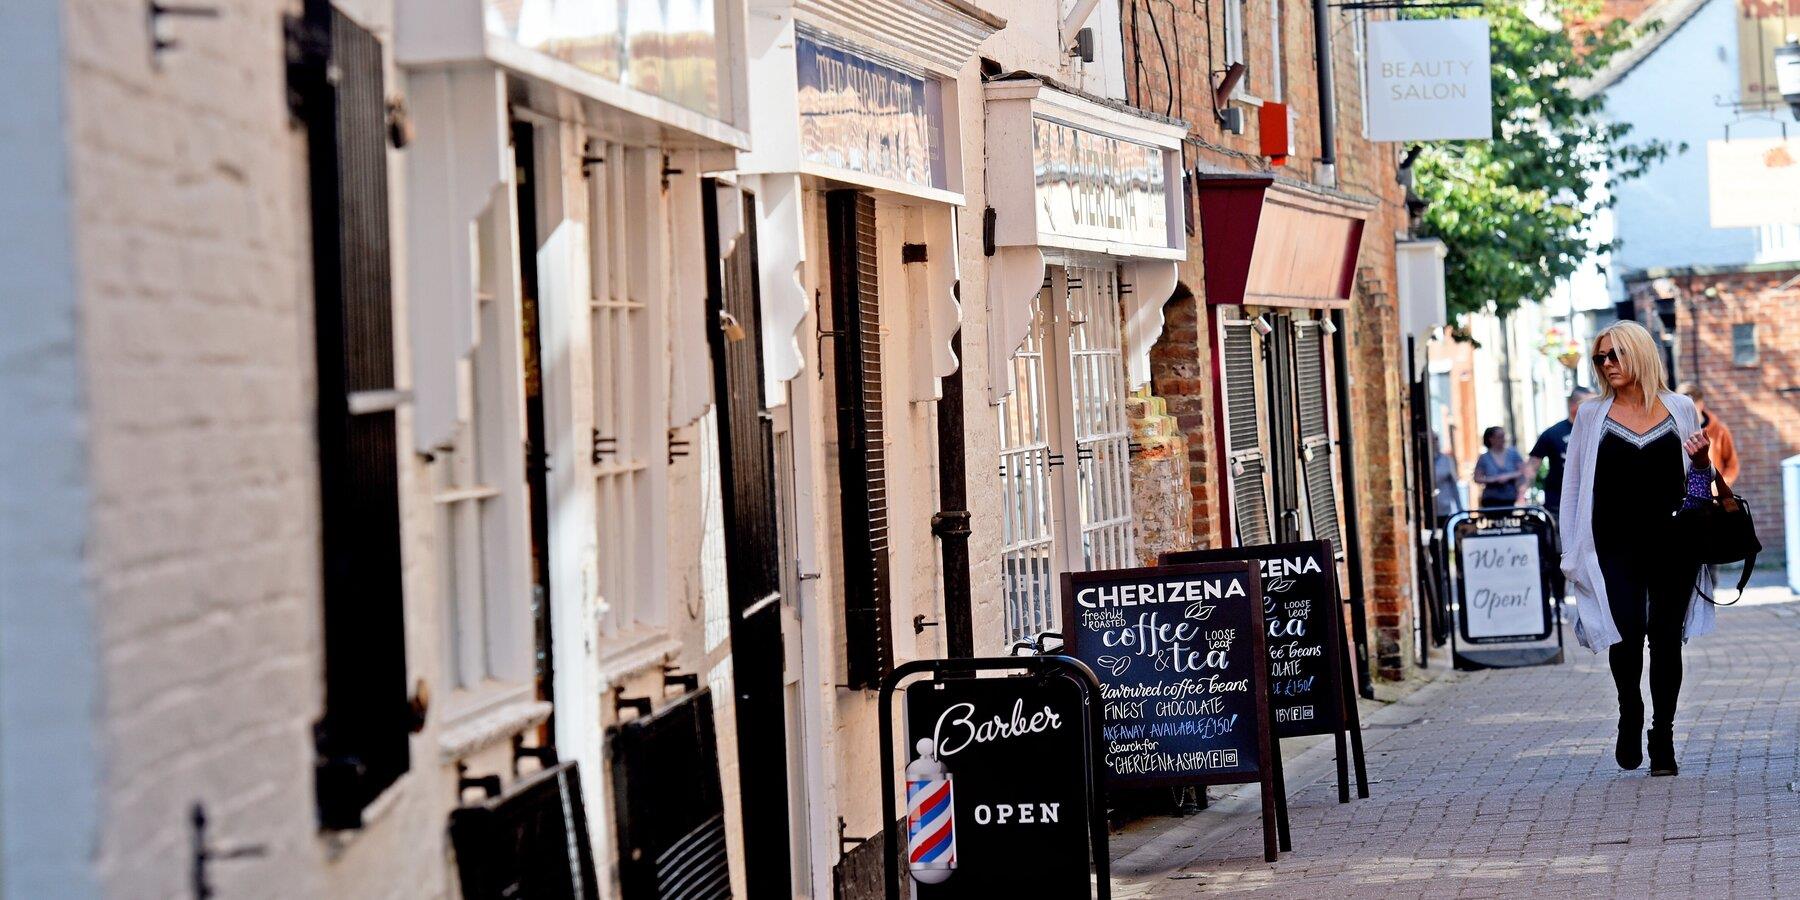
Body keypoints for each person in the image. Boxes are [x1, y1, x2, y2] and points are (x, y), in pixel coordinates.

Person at [1559, 321, 1716, 777]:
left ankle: (1662, 735)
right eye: (1600, 358)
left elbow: (1698, 488)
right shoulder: (1591, 415)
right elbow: (1573, 488)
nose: (1608, 365)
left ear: (1641, 355)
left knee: (1666, 640)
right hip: (1612, 547)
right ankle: (1630, 710)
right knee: (1624, 636)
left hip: (1674, 545)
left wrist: (1703, 464)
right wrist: (1570, 549)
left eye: (1616, 355)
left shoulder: (1680, 407)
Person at [1521, 387, 1595, 514]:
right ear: (1573, 405)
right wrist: (1520, 496)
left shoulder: (1598, 430)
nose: (1595, 408)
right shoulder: (1552, 433)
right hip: (1559, 503)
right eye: (1589, 403)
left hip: (1593, 502)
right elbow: (1531, 467)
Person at [1676, 383, 1740, 485]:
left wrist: (1721, 485)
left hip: (1713, 497)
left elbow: (1732, 465)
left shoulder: (1720, 431)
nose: (1686, 412)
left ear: (1700, 404)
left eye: (1690, 407)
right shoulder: (1675, 433)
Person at [1470, 426, 1525, 509]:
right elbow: (1477, 478)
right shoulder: (1484, 458)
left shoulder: (1513, 454)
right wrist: (1494, 479)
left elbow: (1523, 471)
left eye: (1503, 436)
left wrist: (1508, 476)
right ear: (1491, 439)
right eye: (1499, 437)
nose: (1503, 439)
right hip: (1491, 499)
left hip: (1510, 498)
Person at [1431, 431, 1462, 521]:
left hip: (1444, 508)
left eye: (1436, 440)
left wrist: (1460, 508)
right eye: (1432, 440)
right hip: (1427, 510)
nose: (1435, 443)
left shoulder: (1446, 460)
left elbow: (1454, 486)